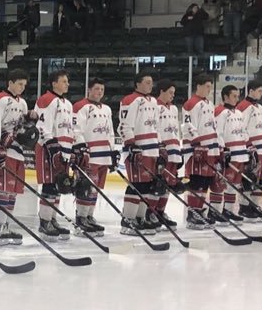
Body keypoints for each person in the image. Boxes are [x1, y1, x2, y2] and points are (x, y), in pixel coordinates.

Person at [0, 70, 31, 245]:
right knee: (2, 190)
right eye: (19, 84)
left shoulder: (23, 103)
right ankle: (0, 227)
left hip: (17, 152)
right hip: (2, 151)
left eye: (24, 85)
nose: (22, 87)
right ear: (10, 82)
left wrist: (31, 120)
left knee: (12, 192)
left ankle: (7, 225)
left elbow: (23, 127)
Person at [33, 69, 80, 238]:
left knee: (60, 185)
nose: (67, 84)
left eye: (67, 81)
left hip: (63, 149)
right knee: (49, 186)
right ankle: (44, 222)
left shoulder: (67, 103)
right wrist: (52, 145)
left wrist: (71, 148)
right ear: (54, 83)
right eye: (64, 81)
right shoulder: (46, 99)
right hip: (49, 148)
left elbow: (69, 128)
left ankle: (52, 219)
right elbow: (42, 126)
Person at [119, 73, 164, 235]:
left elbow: (157, 126)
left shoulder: (153, 101)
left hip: (152, 149)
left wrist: (160, 145)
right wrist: (131, 145)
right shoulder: (130, 100)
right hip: (138, 149)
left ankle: (139, 218)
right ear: (137, 84)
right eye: (147, 82)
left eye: (151, 82)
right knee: (136, 184)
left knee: (147, 185)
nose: (150, 85)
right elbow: (124, 126)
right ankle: (127, 220)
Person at [72, 78, 116, 233]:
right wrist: (81, 148)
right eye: (97, 89)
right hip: (89, 154)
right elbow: (76, 130)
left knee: (96, 188)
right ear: (89, 90)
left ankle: (89, 216)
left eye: (102, 89)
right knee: (86, 186)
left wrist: (112, 151)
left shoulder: (107, 109)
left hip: (104, 154)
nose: (99, 92)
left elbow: (111, 131)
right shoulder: (81, 107)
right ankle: (81, 219)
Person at [181, 79, 220, 230]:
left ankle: (199, 211)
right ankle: (192, 214)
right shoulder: (191, 103)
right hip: (197, 148)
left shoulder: (210, 104)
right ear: (198, 86)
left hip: (210, 148)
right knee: (197, 180)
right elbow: (187, 125)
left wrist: (218, 147)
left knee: (205, 182)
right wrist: (196, 143)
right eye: (207, 86)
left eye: (210, 87)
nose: (209, 89)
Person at [234, 81, 262, 222]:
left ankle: (254, 206)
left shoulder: (260, 107)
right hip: (253, 148)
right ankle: (244, 207)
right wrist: (248, 146)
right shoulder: (243, 107)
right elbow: (240, 128)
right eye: (259, 91)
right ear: (251, 91)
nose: (261, 94)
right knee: (249, 178)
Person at [211, 85, 250, 224]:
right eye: (234, 96)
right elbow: (217, 133)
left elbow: (244, 132)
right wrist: (222, 152)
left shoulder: (239, 113)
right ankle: (214, 210)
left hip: (240, 153)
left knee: (235, 183)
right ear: (225, 96)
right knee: (223, 182)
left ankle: (228, 210)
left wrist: (247, 144)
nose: (237, 99)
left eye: (238, 96)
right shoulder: (220, 112)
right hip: (229, 153)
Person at [151, 80, 184, 227]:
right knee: (158, 183)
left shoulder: (174, 109)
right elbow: (154, 128)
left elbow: (176, 130)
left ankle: (160, 211)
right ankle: (150, 212)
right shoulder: (154, 107)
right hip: (161, 150)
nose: (172, 95)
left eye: (174, 93)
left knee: (169, 184)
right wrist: (159, 147)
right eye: (170, 92)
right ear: (162, 91)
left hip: (174, 149)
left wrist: (179, 149)